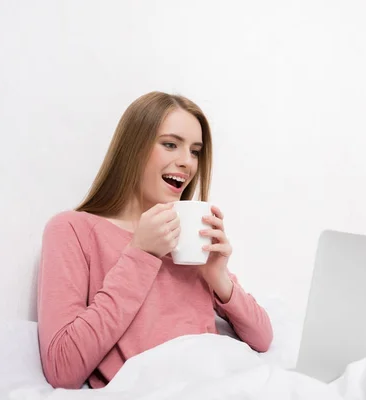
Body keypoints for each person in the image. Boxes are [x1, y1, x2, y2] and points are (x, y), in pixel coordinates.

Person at [36, 91, 273, 389]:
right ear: (132, 148)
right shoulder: (72, 230)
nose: (187, 162)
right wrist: (141, 254)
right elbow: (63, 368)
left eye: (195, 151)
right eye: (170, 145)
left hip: (227, 384)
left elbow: (263, 338)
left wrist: (218, 276)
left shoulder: (187, 235)